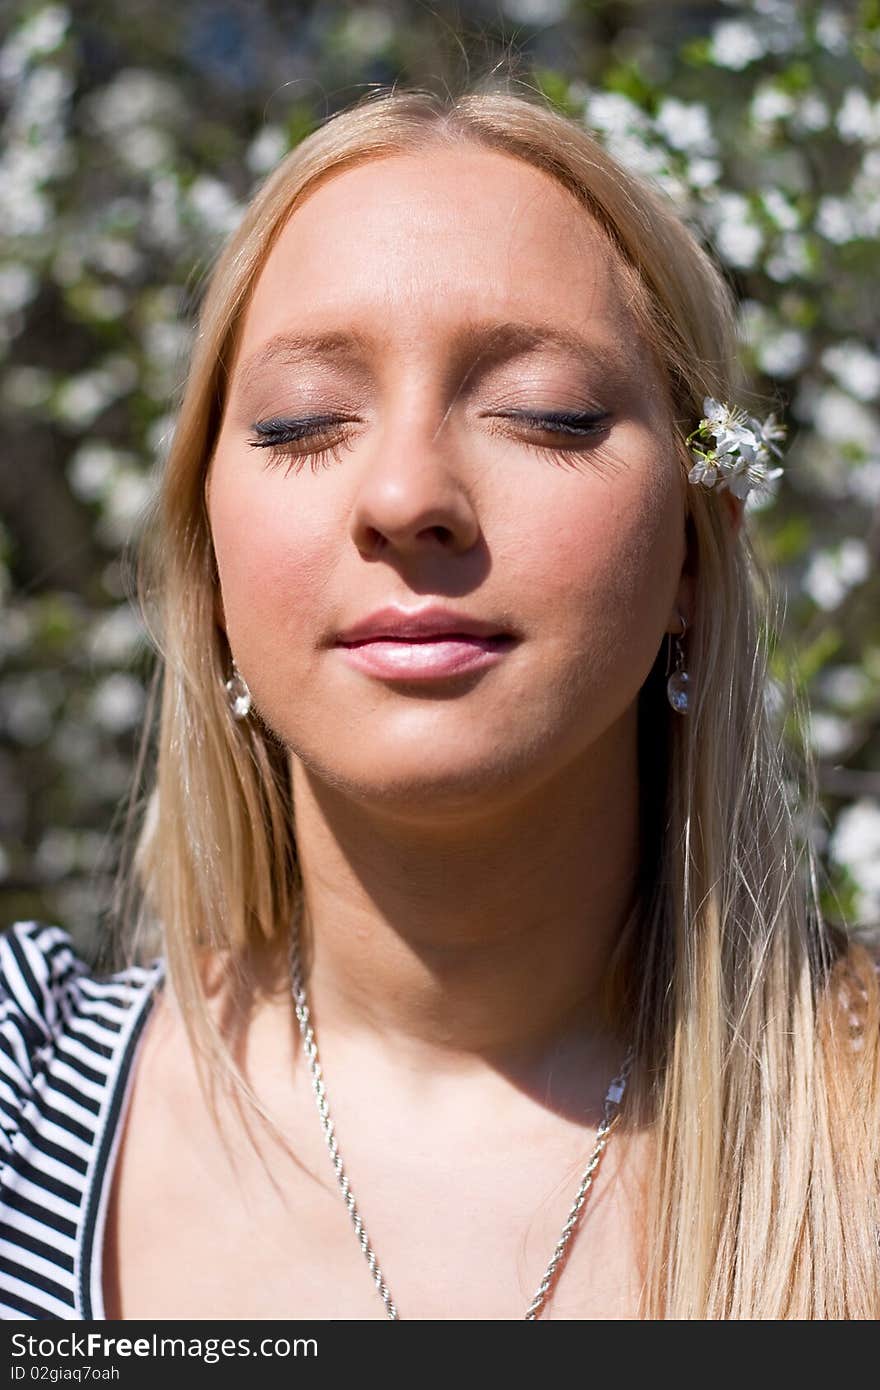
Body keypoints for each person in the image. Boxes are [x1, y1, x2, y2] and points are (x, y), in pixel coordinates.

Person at [1, 83, 877, 1323]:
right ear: (209, 566)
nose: (407, 491)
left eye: (545, 415)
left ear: (691, 551)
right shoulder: (21, 1100)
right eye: (304, 423)